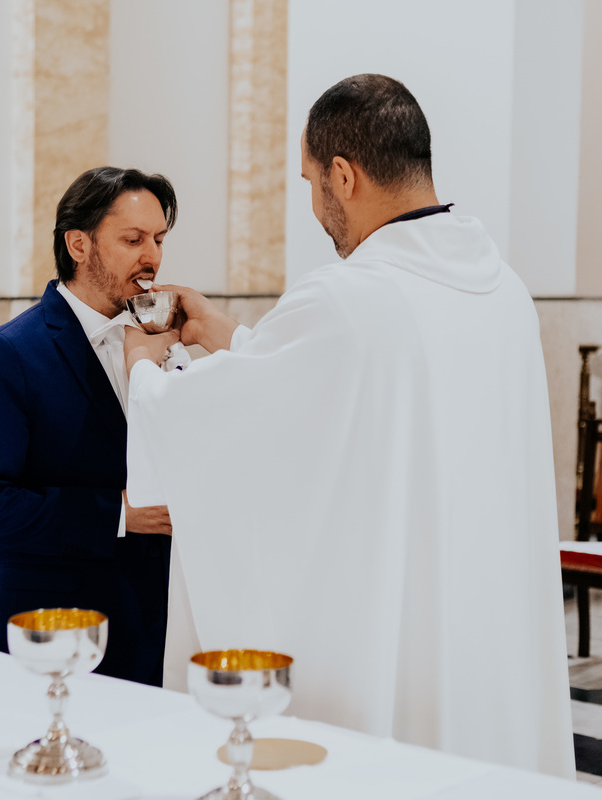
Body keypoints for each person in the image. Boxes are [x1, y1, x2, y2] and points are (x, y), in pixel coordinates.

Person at [122, 74, 575, 777]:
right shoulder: (504, 291)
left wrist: (145, 375)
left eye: (311, 183)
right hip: (481, 621)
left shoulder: (348, 294)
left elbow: (245, 425)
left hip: (397, 619)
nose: (315, 206)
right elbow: (360, 389)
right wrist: (227, 335)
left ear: (344, 175)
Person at [0, 166, 179, 686]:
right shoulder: (9, 353)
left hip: (148, 623)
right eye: (134, 239)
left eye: (159, 239)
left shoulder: (159, 338)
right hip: (49, 628)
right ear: (78, 244)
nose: (153, 256)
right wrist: (118, 514)